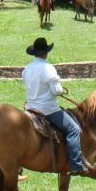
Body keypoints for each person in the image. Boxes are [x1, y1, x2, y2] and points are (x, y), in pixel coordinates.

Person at [22, 37, 89, 174]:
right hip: (47, 110)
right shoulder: (48, 68)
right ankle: (76, 165)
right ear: (46, 53)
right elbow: (56, 90)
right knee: (74, 129)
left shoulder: (27, 69)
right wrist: (60, 90)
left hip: (30, 108)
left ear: (34, 53)